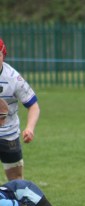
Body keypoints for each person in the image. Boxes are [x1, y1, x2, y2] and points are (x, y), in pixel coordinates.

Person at [0, 38, 40, 181]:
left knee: (16, 180)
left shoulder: (13, 78)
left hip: (9, 135)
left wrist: (30, 128)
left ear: (3, 55)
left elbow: (33, 106)